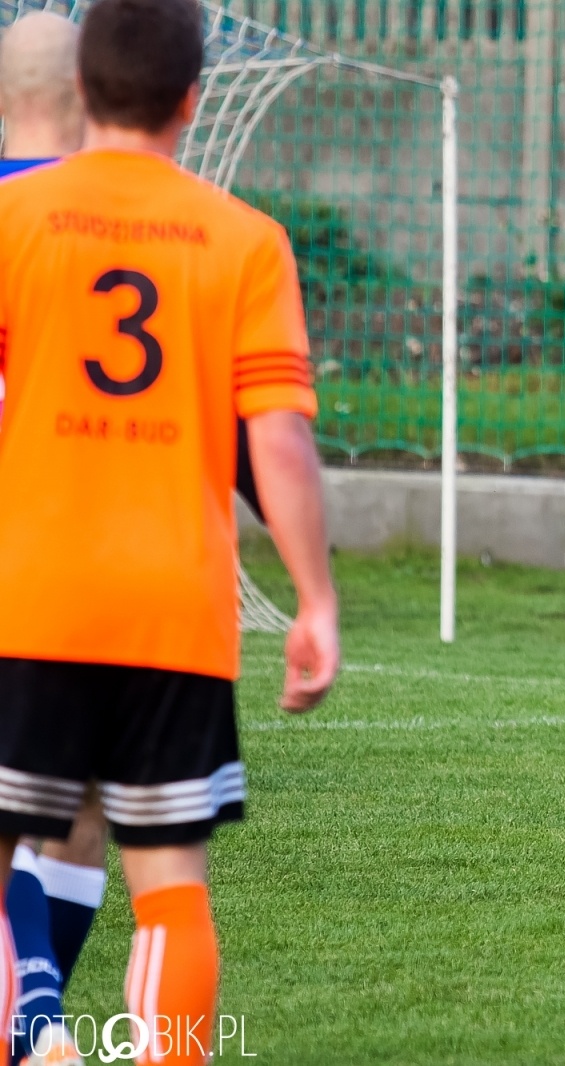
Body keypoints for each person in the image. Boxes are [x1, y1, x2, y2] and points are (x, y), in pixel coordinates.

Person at [0, 3, 340, 1065]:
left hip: (28, 596)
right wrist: (315, 598)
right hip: (175, 613)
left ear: (81, 94)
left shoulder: (13, 221)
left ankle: (29, 1025)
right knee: (171, 892)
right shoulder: (245, 240)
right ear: (195, 101)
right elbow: (276, 441)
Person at [0, 15, 110, 1065]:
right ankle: (39, 1018)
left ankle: (34, 1020)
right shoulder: (144, 227)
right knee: (74, 813)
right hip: (105, 566)